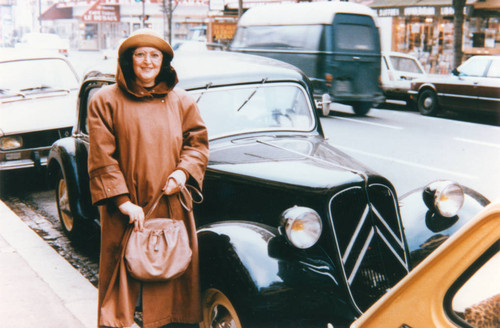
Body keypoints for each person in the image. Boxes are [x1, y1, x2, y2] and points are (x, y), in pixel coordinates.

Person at [87, 29, 209, 328]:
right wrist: (123, 202)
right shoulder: (105, 100)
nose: (147, 61)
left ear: (164, 62)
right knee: (121, 279)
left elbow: (197, 143)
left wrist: (182, 172)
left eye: (155, 55)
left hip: (171, 202)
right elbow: (102, 156)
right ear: (128, 61)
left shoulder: (181, 100)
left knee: (172, 269)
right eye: (140, 54)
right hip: (127, 209)